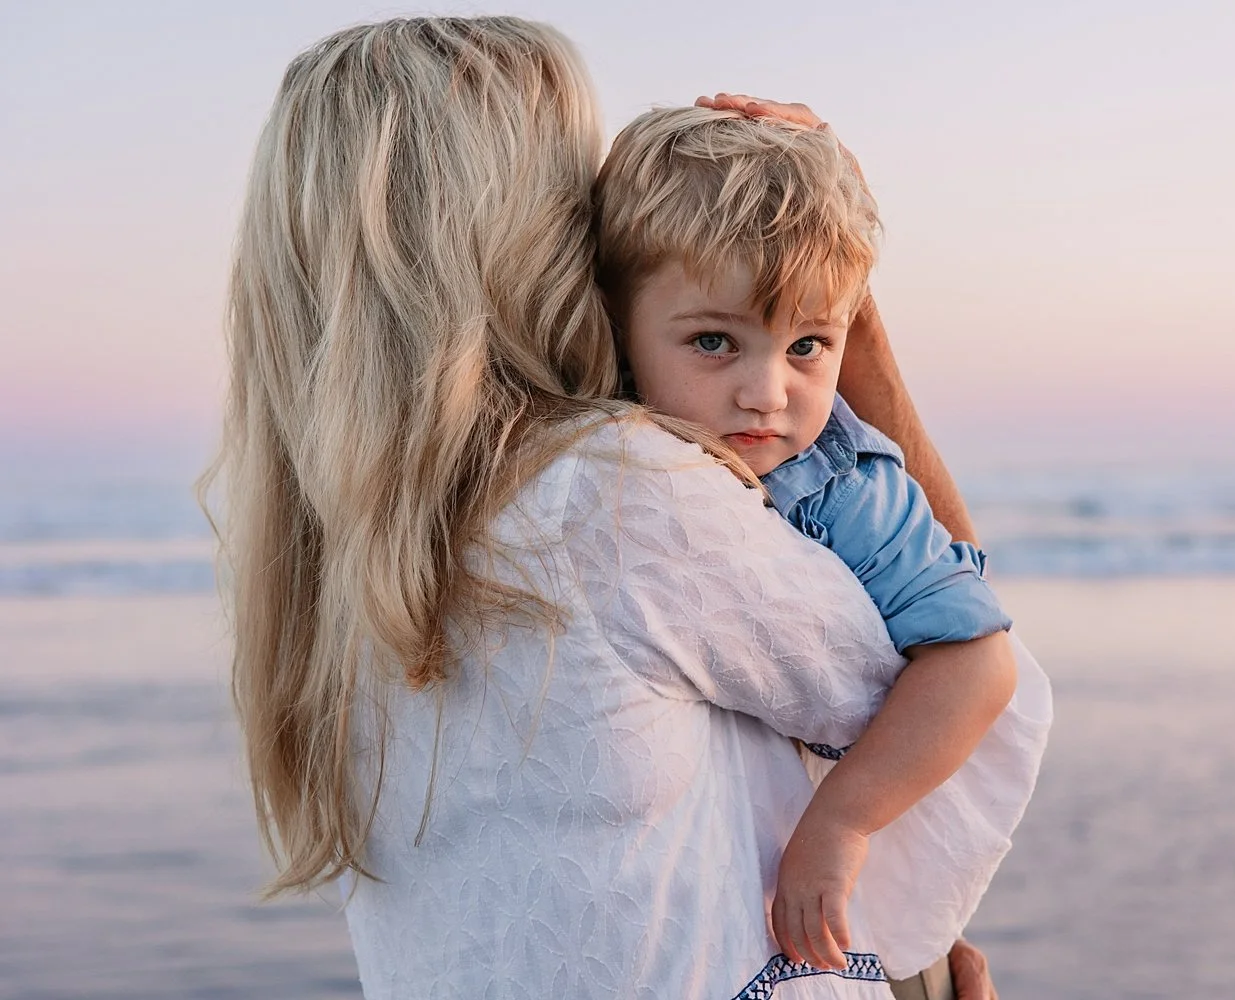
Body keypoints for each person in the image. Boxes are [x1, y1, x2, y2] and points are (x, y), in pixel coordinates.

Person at [210, 15, 1051, 1000]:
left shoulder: (323, 548)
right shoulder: (609, 491)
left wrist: (792, 259)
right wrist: (844, 309)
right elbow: (973, 670)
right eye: (577, 186)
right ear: (525, 229)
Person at [593, 103, 1035, 990]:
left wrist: (844, 824)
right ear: (614, 326)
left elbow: (980, 662)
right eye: (714, 342)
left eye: (809, 345)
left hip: (861, 912)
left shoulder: (841, 483)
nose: (769, 394)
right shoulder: (606, 461)